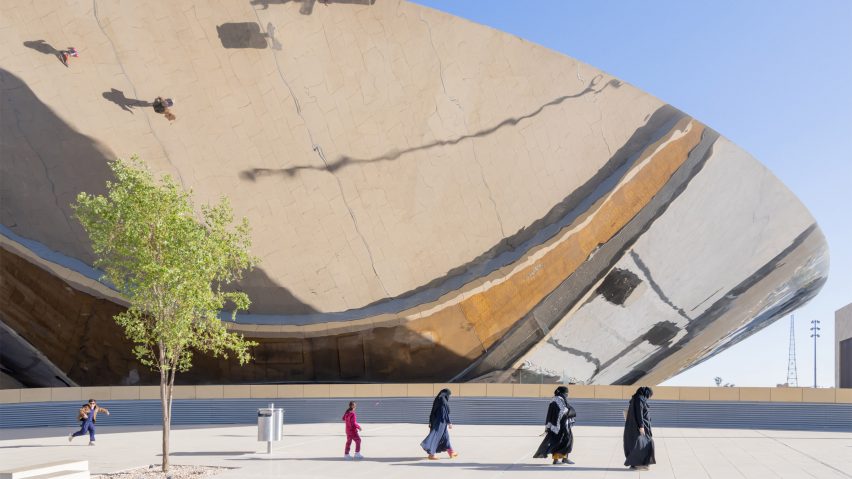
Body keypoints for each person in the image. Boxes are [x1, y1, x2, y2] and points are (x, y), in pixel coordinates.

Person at [533, 386, 576, 465]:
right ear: (564, 393)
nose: (567, 395)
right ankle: (563, 458)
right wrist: (570, 411)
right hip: (561, 425)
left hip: (556, 425)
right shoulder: (559, 400)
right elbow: (563, 411)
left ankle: (558, 459)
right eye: (567, 393)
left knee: (558, 441)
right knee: (565, 440)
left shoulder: (555, 399)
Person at [623, 386, 655, 470]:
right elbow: (639, 413)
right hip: (641, 427)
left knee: (638, 445)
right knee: (646, 444)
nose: (648, 398)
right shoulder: (639, 399)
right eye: (649, 395)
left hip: (636, 426)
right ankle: (640, 464)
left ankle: (636, 463)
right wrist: (641, 426)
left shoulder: (635, 399)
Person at [420, 388, 457, 460]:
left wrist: (430, 422)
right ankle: (431, 455)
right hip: (440, 422)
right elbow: (444, 412)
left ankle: (451, 452)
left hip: (436, 421)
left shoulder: (437, 399)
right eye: (449, 395)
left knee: (445, 437)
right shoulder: (443, 400)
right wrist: (449, 422)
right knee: (436, 436)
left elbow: (432, 411)